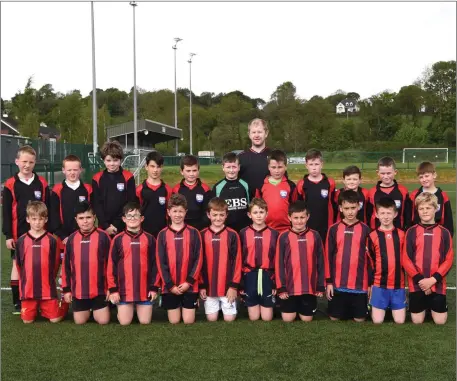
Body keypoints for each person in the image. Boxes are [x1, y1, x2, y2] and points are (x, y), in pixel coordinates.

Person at [2, 145, 50, 314]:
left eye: (30, 162)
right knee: (18, 266)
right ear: (17, 162)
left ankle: (40, 297)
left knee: (39, 264)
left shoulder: (42, 183)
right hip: (19, 234)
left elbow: (47, 208)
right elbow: (6, 212)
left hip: (40, 233)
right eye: (24, 161)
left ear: (35, 163)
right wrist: (8, 235)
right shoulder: (10, 184)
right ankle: (18, 301)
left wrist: (48, 232)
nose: (27, 165)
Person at [403, 192, 454, 325]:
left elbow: (448, 259)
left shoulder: (444, 232)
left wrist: (433, 280)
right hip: (417, 284)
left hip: (436, 283)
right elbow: (406, 259)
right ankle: (416, 303)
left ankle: (437, 306)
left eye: (428, 208)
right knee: (417, 321)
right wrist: (421, 281)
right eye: (421, 208)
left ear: (435, 209)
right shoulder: (411, 231)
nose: (425, 211)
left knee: (440, 322)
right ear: (417, 211)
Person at [107, 202, 159, 325]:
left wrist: (153, 287)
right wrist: (113, 290)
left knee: (145, 322)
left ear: (142, 218)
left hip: (144, 289)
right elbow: (111, 265)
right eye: (129, 216)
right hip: (124, 289)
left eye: (136, 215)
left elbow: (155, 265)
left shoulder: (150, 238)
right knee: (125, 322)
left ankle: (138, 309)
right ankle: (126, 310)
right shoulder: (117, 239)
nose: (133, 219)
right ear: (124, 219)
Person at [156, 194, 203, 324]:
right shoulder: (162, 234)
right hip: (170, 286)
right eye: (174, 211)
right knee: (174, 321)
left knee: (188, 321)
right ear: (168, 212)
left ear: (185, 212)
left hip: (189, 285)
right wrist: (169, 285)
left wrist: (189, 282)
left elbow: (198, 259)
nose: (177, 215)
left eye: (181, 211)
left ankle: (193, 300)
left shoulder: (194, 233)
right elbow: (161, 262)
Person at [325, 190, 371, 322]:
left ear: (358, 207)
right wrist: (329, 282)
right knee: (334, 318)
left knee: (359, 319)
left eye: (353, 208)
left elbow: (370, 260)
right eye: (346, 208)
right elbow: (328, 256)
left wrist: (370, 284)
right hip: (338, 284)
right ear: (340, 208)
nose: (350, 212)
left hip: (359, 285)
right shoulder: (333, 229)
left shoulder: (366, 230)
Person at [62, 201, 111, 325]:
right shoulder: (71, 239)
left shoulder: (104, 237)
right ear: (76, 220)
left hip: (99, 290)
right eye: (81, 218)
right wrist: (67, 290)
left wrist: (111, 288)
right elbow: (66, 267)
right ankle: (86, 310)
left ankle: (97, 309)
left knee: (103, 321)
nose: (85, 221)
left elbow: (111, 265)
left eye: (88, 217)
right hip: (79, 291)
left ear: (94, 217)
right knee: (80, 322)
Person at [15, 201, 64, 323]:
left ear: (46, 220)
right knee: (27, 321)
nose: (37, 222)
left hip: (47, 288)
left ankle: (62, 304)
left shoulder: (52, 240)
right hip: (28, 288)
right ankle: (35, 307)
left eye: (41, 219)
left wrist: (49, 277)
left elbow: (56, 262)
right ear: (28, 219)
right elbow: (19, 265)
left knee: (55, 320)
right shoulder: (21, 240)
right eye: (34, 219)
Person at [275, 201, 325, 322]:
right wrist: (281, 287)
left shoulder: (315, 235)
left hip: (309, 287)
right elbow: (279, 263)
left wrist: (320, 285)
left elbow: (321, 261)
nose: (299, 221)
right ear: (289, 217)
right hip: (289, 287)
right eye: (295, 218)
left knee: (306, 319)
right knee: (288, 319)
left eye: (302, 217)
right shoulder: (283, 236)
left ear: (308, 217)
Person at [199, 197, 242, 322]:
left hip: (227, 287)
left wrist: (233, 287)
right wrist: (202, 285)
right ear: (208, 215)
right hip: (209, 287)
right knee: (212, 319)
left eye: (221, 215)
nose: (218, 218)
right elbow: (199, 263)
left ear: (226, 215)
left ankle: (230, 303)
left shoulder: (233, 235)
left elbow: (237, 261)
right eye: (215, 215)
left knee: (229, 319)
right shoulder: (201, 234)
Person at [367, 197, 406, 324]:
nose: (386, 216)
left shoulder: (402, 235)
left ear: (395, 214)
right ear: (376, 215)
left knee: (400, 321)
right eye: (382, 213)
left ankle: (394, 305)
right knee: (377, 321)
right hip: (379, 285)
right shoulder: (372, 236)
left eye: (389, 213)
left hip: (398, 285)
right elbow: (370, 261)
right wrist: (370, 284)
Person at [239, 198, 279, 321]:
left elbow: (278, 260)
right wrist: (241, 283)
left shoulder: (275, 234)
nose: (259, 215)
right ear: (249, 215)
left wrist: (275, 283)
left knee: (267, 318)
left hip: (268, 275)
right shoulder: (242, 233)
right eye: (255, 212)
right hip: (250, 275)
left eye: (261, 212)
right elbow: (239, 259)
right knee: (254, 317)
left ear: (267, 214)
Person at [92, 141, 137, 237]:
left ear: (120, 160)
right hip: (103, 228)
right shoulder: (97, 178)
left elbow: (130, 202)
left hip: (123, 225)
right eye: (108, 160)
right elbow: (96, 203)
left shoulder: (128, 177)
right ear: (103, 160)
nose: (112, 164)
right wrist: (106, 226)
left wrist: (117, 224)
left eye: (115, 160)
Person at [296, 148, 337, 242]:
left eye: (316, 164)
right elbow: (298, 208)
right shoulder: (302, 184)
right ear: (306, 165)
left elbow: (334, 205)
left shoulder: (330, 183)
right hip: (307, 226)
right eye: (311, 164)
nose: (314, 167)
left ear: (322, 164)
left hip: (326, 226)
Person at [256, 149, 298, 232]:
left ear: (285, 167)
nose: (277, 171)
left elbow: (295, 208)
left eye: (280, 167)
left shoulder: (291, 186)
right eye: (273, 167)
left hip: (286, 229)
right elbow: (257, 207)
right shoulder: (261, 185)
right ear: (268, 167)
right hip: (266, 228)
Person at [212, 152, 254, 232]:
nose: (231, 170)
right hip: (225, 230)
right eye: (228, 167)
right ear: (223, 167)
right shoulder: (217, 187)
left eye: (234, 167)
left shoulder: (246, 185)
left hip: (245, 229)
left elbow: (252, 207)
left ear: (239, 167)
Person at [409, 161, 454, 236]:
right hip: (418, 234)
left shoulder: (443, 196)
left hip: (438, 235)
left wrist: (449, 237)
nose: (424, 179)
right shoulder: (414, 195)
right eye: (421, 177)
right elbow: (409, 217)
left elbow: (448, 220)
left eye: (427, 176)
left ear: (434, 175)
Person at [367, 156, 411, 230]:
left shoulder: (403, 191)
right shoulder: (372, 192)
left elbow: (407, 213)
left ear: (395, 172)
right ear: (378, 173)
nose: (386, 176)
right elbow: (369, 214)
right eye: (383, 173)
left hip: (399, 232)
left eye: (389, 173)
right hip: (377, 233)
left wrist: (407, 228)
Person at [136, 151, 172, 237]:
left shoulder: (168, 190)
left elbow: (170, 213)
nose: (155, 170)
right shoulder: (139, 190)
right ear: (146, 167)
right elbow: (137, 213)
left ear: (162, 168)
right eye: (152, 166)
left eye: (158, 167)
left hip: (163, 234)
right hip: (144, 234)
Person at [172, 154, 211, 231]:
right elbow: (173, 211)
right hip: (182, 228)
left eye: (194, 170)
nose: (191, 174)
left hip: (201, 228)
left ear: (198, 171)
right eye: (188, 171)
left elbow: (208, 212)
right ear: (182, 172)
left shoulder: (205, 189)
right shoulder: (176, 190)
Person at [238, 118, 272, 192]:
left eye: (259, 132)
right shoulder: (240, 158)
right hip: (248, 201)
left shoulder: (274, 156)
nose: (256, 135)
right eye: (253, 132)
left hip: (269, 200)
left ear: (266, 133)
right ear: (249, 134)